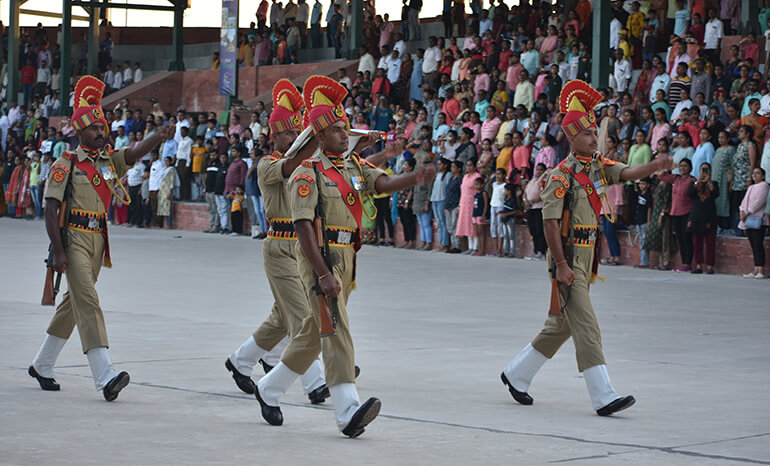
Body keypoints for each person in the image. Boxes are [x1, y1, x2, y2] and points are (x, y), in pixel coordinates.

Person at [254, 75, 434, 437]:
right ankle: (347, 411)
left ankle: (268, 388)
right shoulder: (307, 171)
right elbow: (304, 225)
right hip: (319, 257)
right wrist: (321, 272)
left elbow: (381, 183)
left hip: (346, 258)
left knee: (310, 333)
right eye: (336, 129)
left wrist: (413, 178)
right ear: (318, 136)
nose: (344, 134)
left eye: (344, 128)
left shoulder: (352, 166)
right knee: (335, 328)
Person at [501, 80, 674, 417]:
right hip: (566, 257)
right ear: (571, 138)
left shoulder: (596, 166)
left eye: (595, 134)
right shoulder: (560, 176)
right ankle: (603, 395)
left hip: (586, 255)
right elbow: (550, 224)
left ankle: (516, 375)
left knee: (562, 325)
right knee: (587, 325)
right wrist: (562, 265)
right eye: (587, 135)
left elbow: (626, 172)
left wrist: (654, 167)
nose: (594, 139)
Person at [29, 76, 173, 400]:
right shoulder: (65, 163)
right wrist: (58, 250)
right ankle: (105, 374)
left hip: (98, 242)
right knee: (89, 303)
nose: (101, 132)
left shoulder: (106, 165)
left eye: (102, 127)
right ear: (80, 132)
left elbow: (133, 153)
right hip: (74, 239)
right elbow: (51, 210)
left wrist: (158, 136)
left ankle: (42, 364)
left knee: (72, 305)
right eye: (94, 128)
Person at [226, 80, 330, 403]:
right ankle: (315, 383)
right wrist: (316, 134)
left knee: (281, 318)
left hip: (301, 247)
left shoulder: (307, 162)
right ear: (275, 137)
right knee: (303, 318)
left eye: (298, 134)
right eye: (290, 135)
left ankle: (240, 361)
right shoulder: (267, 164)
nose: (294, 140)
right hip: (278, 248)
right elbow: (290, 165)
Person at [658, 158, 695, 271]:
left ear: (690, 168)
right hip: (675, 212)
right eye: (681, 166)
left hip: (687, 212)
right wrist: (668, 168)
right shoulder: (676, 178)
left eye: (685, 166)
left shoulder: (692, 180)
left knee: (686, 238)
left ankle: (688, 263)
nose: (682, 168)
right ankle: (683, 263)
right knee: (679, 238)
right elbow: (660, 176)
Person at [688, 163, 719, 274]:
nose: (704, 172)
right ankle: (698, 265)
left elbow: (715, 194)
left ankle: (710, 266)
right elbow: (690, 194)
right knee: (697, 243)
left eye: (706, 170)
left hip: (709, 216)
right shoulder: (694, 183)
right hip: (696, 216)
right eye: (702, 170)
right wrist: (698, 182)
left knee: (710, 243)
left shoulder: (714, 183)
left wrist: (709, 182)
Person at [739, 168, 769, 278]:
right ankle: (755, 269)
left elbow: (759, 202)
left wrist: (747, 212)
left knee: (758, 244)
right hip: (748, 219)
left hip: (758, 220)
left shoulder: (764, 186)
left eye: (758, 173)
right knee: (753, 245)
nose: (755, 175)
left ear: (763, 176)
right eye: (754, 173)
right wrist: (742, 211)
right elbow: (744, 201)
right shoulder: (751, 187)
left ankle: (761, 269)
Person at [457, 158, 482, 254]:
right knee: (466, 224)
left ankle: (475, 247)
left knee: (473, 225)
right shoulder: (465, 176)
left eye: (470, 165)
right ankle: (470, 247)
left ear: (475, 167)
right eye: (467, 165)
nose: (468, 167)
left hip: (473, 203)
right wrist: (459, 205)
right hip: (464, 203)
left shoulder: (477, 176)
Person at [445, 160, 464, 253]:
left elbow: (461, 193)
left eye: (454, 167)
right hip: (448, 204)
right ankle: (453, 244)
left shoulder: (460, 179)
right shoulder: (451, 178)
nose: (452, 168)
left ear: (459, 169)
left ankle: (457, 245)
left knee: (454, 225)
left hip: (455, 204)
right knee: (449, 226)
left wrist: (459, 206)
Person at [157, 156, 176, 228]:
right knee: (162, 206)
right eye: (165, 161)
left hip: (167, 189)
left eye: (167, 161)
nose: (166, 162)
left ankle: (169, 224)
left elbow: (172, 180)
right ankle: (163, 224)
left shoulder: (171, 170)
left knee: (168, 207)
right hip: (162, 189)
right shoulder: (163, 169)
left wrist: (170, 191)